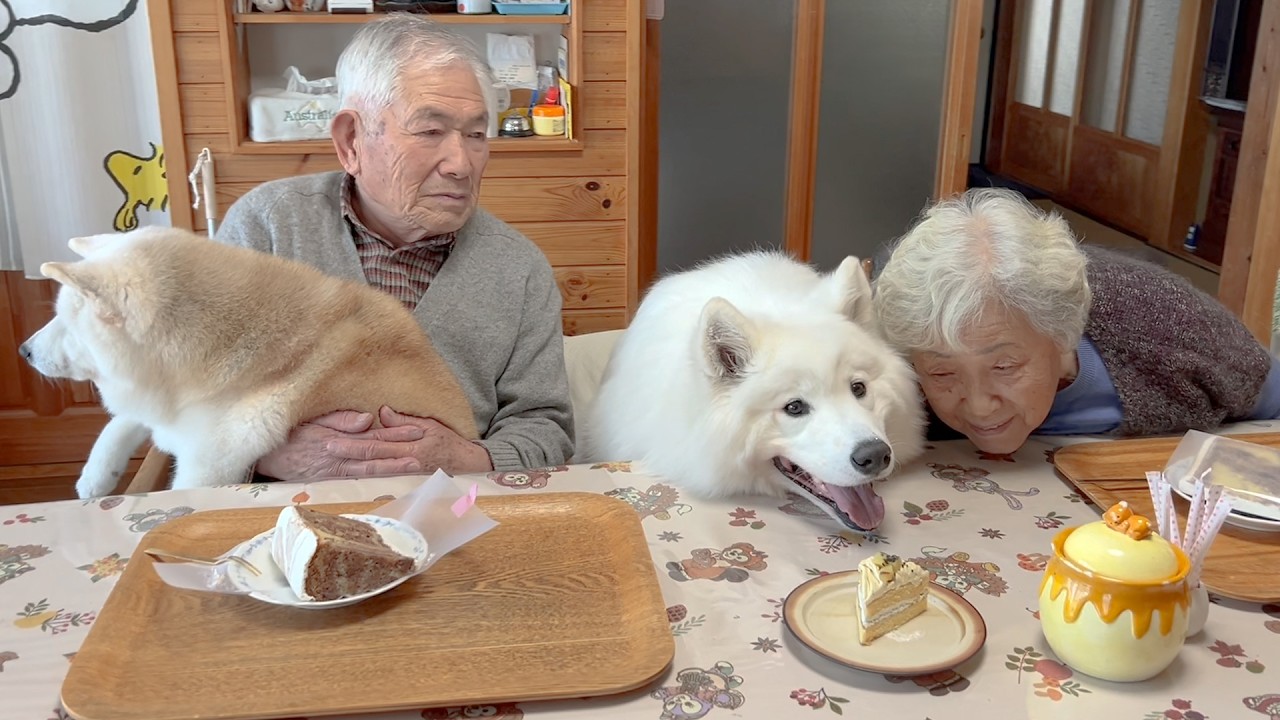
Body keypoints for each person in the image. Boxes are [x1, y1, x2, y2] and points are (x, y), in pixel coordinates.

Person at [214, 13, 574, 480]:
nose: (462, 164)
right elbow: (192, 399)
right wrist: (269, 454)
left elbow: (546, 427)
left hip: (453, 514)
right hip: (284, 516)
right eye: (430, 132)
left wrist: (463, 460)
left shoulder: (518, 268)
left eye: (476, 134)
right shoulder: (268, 227)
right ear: (351, 142)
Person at [872, 187, 1280, 455]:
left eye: (1004, 367)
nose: (979, 406)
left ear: (1063, 334)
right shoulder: (882, 361)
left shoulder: (1167, 325)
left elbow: (1267, 394)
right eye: (942, 373)